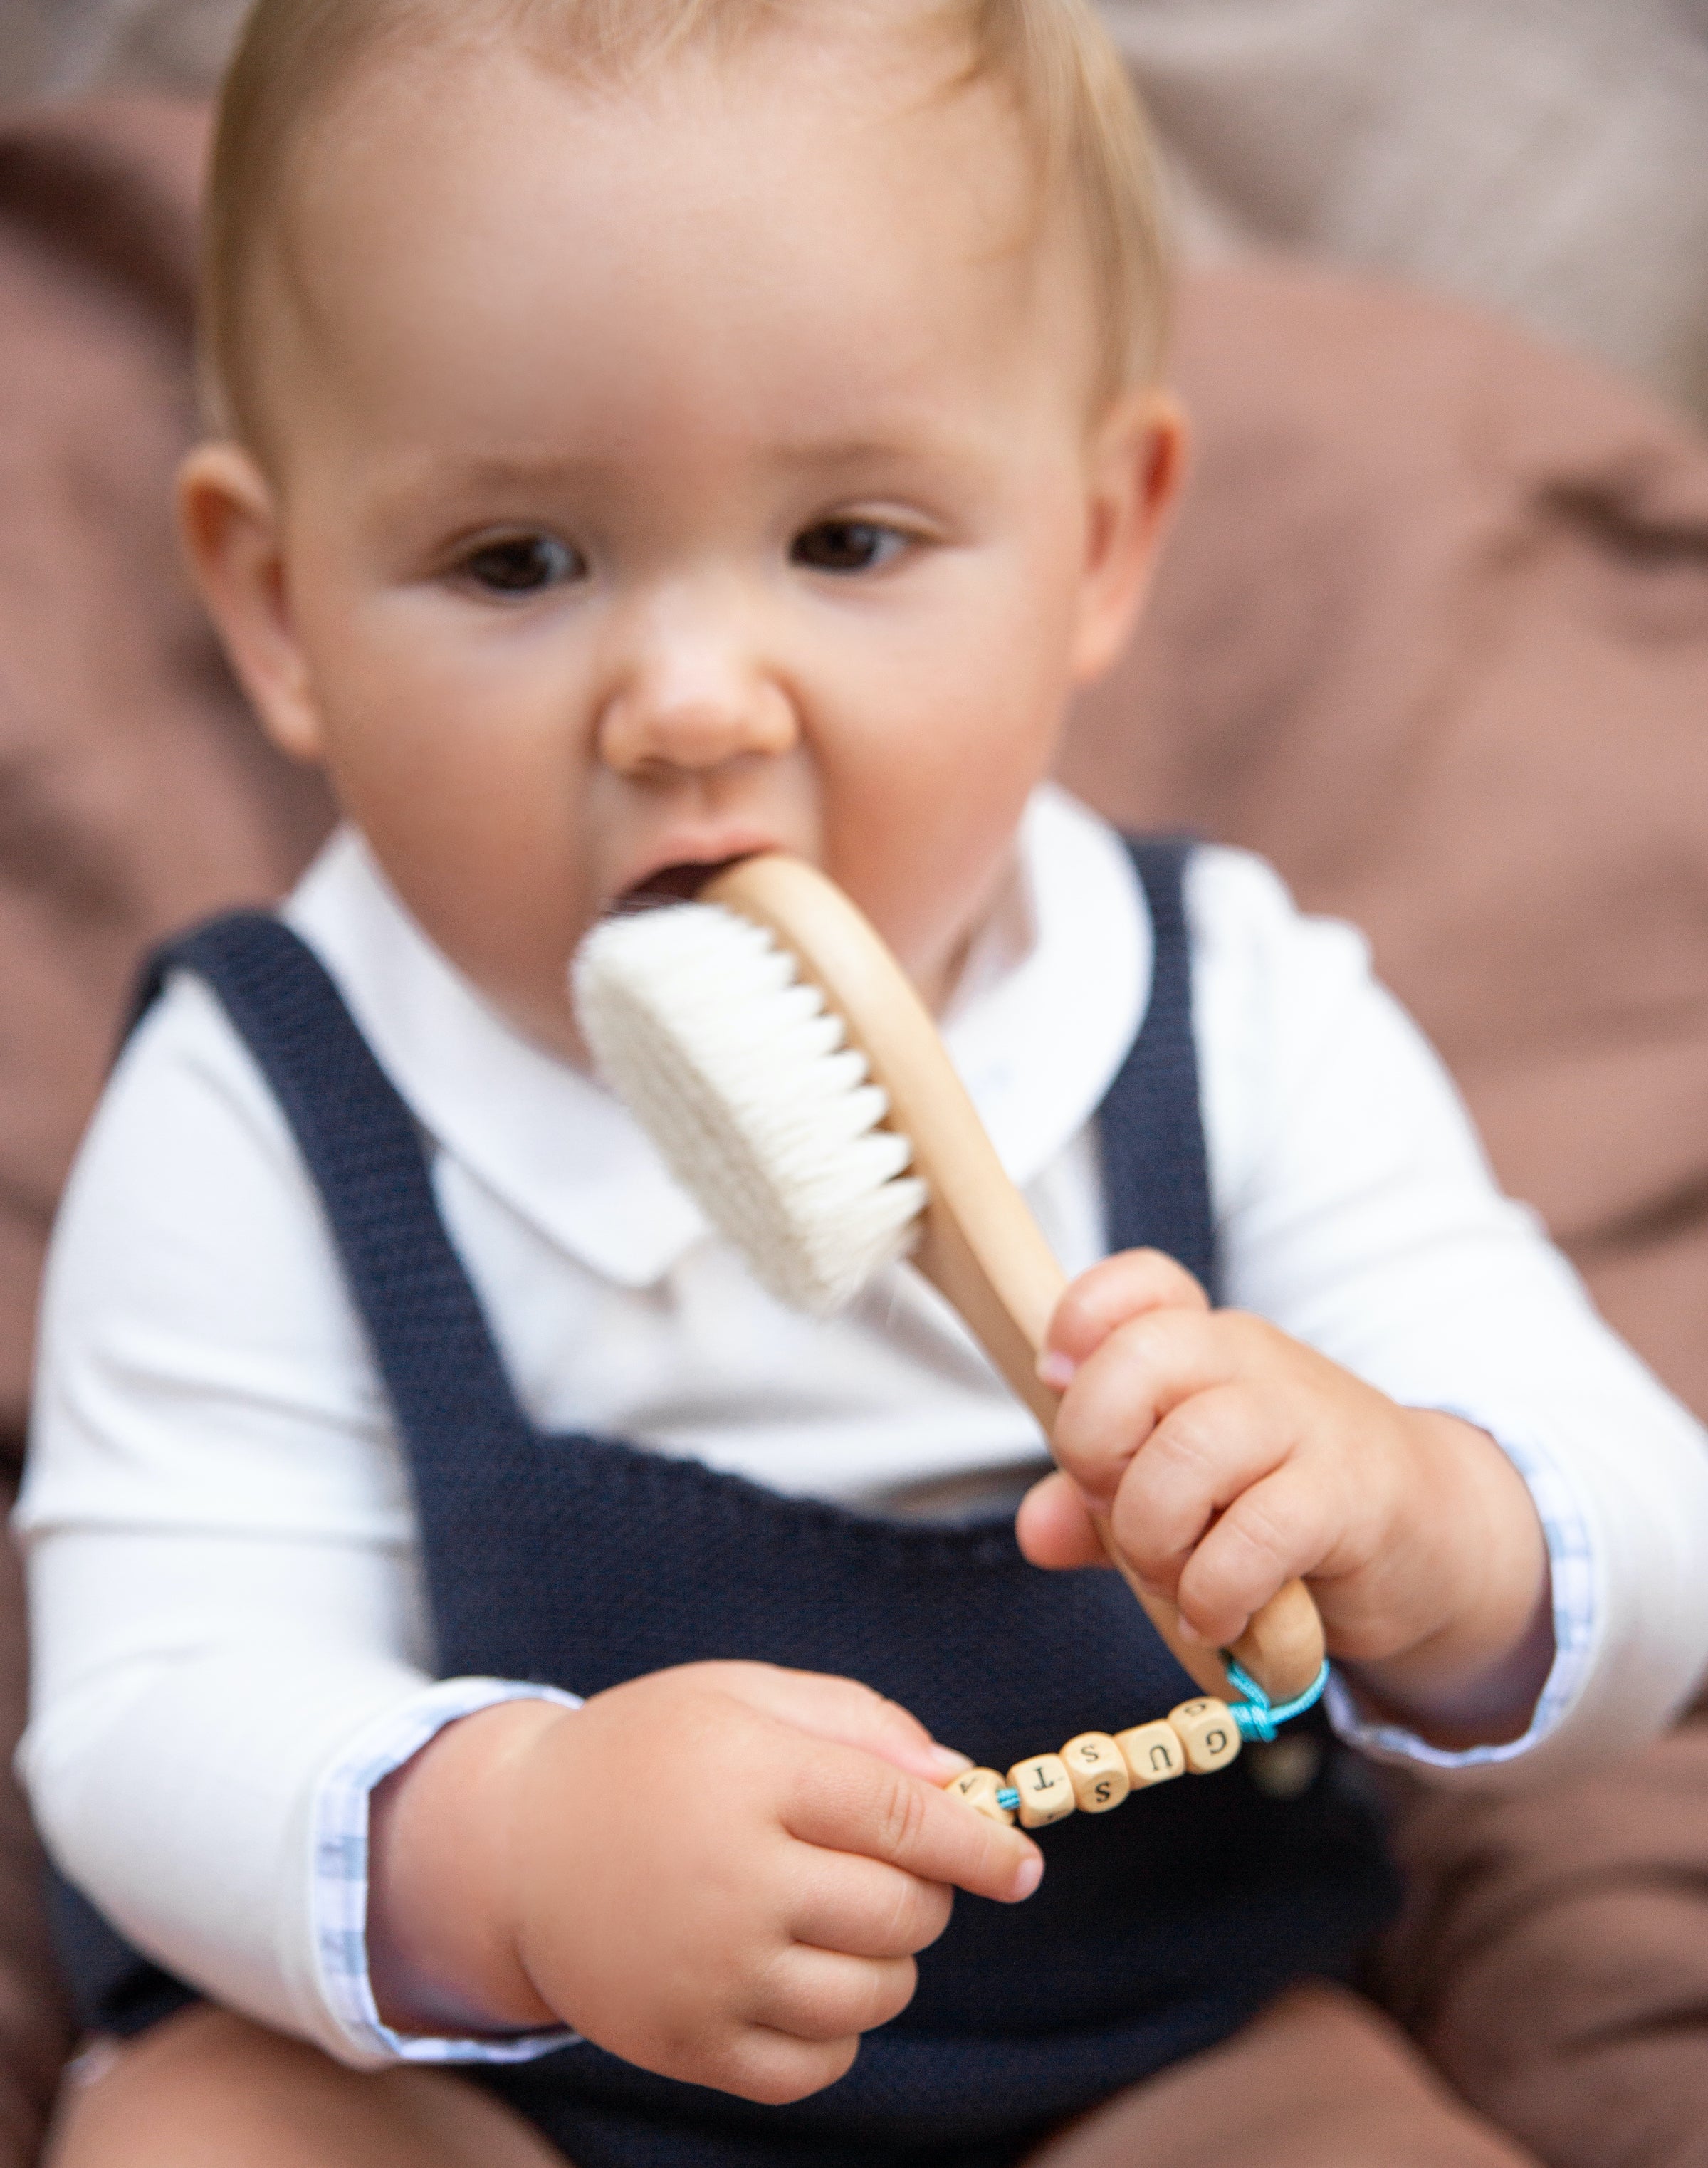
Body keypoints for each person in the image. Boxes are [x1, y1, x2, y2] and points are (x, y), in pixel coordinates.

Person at [18, 2, 1708, 2163]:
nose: (692, 700)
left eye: (849, 542)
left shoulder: (1231, 1009)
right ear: (277, 610)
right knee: (203, 2131)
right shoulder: (268, 1090)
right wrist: (514, 1850)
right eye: (517, 561)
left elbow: (1647, 1553)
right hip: (495, 2080)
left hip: (1149, 2050)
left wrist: (1430, 1519)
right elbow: (148, 1712)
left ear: (1104, 542)